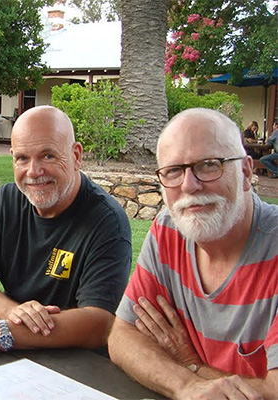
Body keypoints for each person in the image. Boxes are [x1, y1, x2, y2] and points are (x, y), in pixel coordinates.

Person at [0, 106, 131, 354]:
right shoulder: (7, 201)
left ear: (76, 155)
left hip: (76, 362)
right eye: (22, 158)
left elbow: (98, 323)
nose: (33, 171)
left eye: (47, 156)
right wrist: (12, 314)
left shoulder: (106, 220)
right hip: (15, 355)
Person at [108, 108, 278, 399]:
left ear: (246, 172)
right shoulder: (168, 229)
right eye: (174, 170)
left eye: (210, 165)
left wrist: (191, 364)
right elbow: (121, 337)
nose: (189, 185)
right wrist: (186, 385)